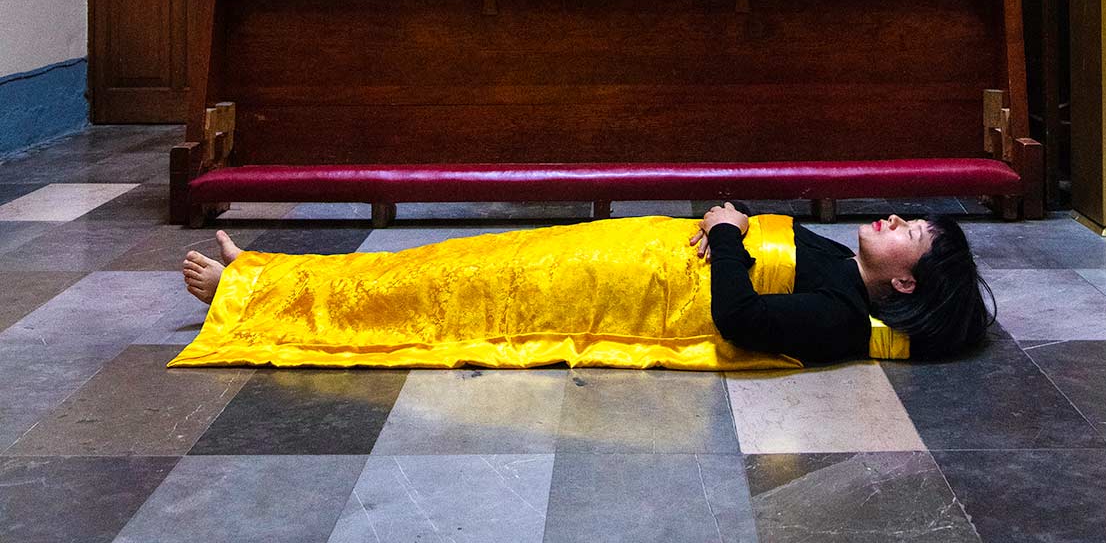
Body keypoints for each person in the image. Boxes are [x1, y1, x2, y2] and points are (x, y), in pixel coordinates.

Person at [172, 203, 994, 372]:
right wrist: (725, 228)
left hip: (618, 290)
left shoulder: (842, 322)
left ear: (907, 279)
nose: (890, 217)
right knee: (447, 264)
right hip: (623, 252)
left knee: (452, 290)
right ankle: (269, 278)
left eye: (907, 231)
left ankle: (251, 294)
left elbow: (741, 320)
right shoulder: (847, 273)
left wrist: (730, 235)